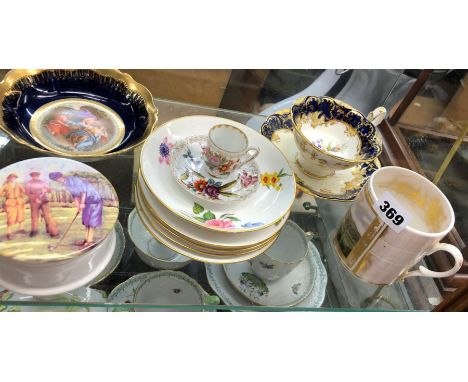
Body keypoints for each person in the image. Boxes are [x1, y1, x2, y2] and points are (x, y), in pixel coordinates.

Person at [49, 172, 103, 249]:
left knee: (91, 222)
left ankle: (89, 242)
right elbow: (75, 196)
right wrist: (78, 206)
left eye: (58, 178)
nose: (58, 180)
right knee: (86, 222)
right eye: (56, 179)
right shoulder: (66, 185)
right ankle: (86, 240)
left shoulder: (74, 180)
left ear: (62, 176)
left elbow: (83, 191)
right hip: (86, 202)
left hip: (94, 200)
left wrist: (82, 203)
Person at [25, 172, 59, 238]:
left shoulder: (42, 182)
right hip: (34, 202)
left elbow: (49, 190)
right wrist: (35, 198)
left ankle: (53, 232)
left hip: (44, 200)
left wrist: (45, 190)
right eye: (33, 176)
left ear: (38, 176)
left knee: (48, 216)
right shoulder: (29, 183)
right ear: (31, 176)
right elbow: (27, 193)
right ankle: (34, 231)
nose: (35, 177)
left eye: (36, 176)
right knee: (34, 216)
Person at [0, 173, 26, 240]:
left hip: (19, 202)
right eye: (11, 177)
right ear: (8, 178)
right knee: (10, 218)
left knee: (21, 215)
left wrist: (21, 197)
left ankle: (21, 229)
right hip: (10, 202)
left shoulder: (18, 184)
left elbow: (24, 191)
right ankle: (9, 233)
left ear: (15, 178)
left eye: (14, 177)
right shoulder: (5, 185)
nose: (12, 179)